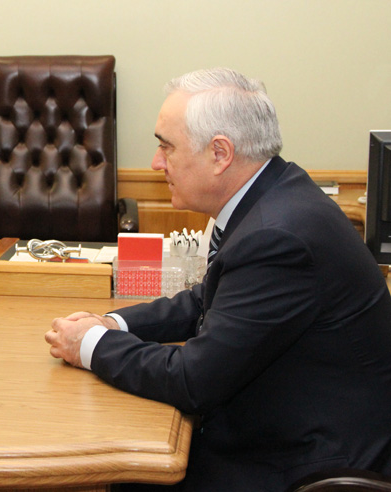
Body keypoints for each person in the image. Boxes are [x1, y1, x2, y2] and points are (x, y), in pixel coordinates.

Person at [45, 68, 391, 491]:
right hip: (286, 426)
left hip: (299, 463)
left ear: (220, 153)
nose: (156, 163)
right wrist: (113, 323)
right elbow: (207, 299)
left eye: (167, 147)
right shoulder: (276, 195)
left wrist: (90, 345)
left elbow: (193, 381)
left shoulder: (277, 236)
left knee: (117, 472)